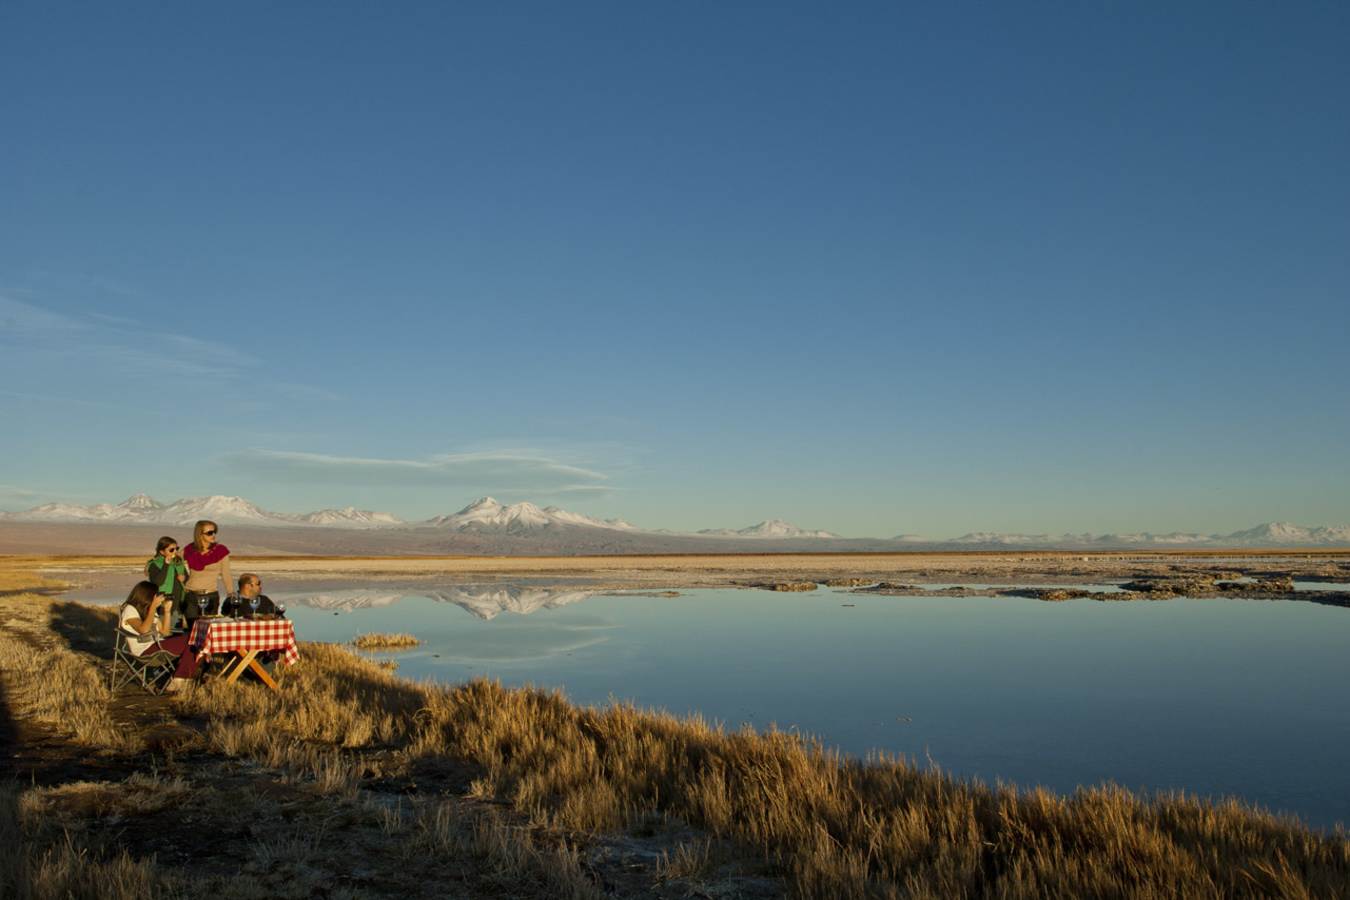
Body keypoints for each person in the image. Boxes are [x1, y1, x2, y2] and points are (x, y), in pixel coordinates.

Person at [118, 580, 200, 692]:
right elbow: (143, 629)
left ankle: (180, 678)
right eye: (155, 595)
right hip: (144, 650)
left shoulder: (148, 610)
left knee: (194, 638)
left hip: (157, 644)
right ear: (146, 595)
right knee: (192, 639)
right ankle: (179, 679)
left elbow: (165, 632)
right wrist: (153, 607)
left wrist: (167, 611)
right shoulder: (130, 609)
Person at [182, 519, 234, 620]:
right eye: (209, 533)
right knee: (192, 629)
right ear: (200, 535)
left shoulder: (220, 551)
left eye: (215, 532)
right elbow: (174, 559)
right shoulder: (189, 549)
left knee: (207, 629)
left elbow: (226, 574)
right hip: (191, 596)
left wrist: (230, 593)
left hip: (211, 596)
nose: (213, 535)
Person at [145, 536, 187, 628]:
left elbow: (187, 579)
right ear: (162, 551)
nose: (175, 551)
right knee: (165, 632)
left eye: (177, 548)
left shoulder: (178, 562)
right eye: (171, 550)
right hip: (163, 603)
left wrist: (184, 579)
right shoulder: (155, 564)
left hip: (178, 603)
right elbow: (157, 582)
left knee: (176, 632)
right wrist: (166, 565)